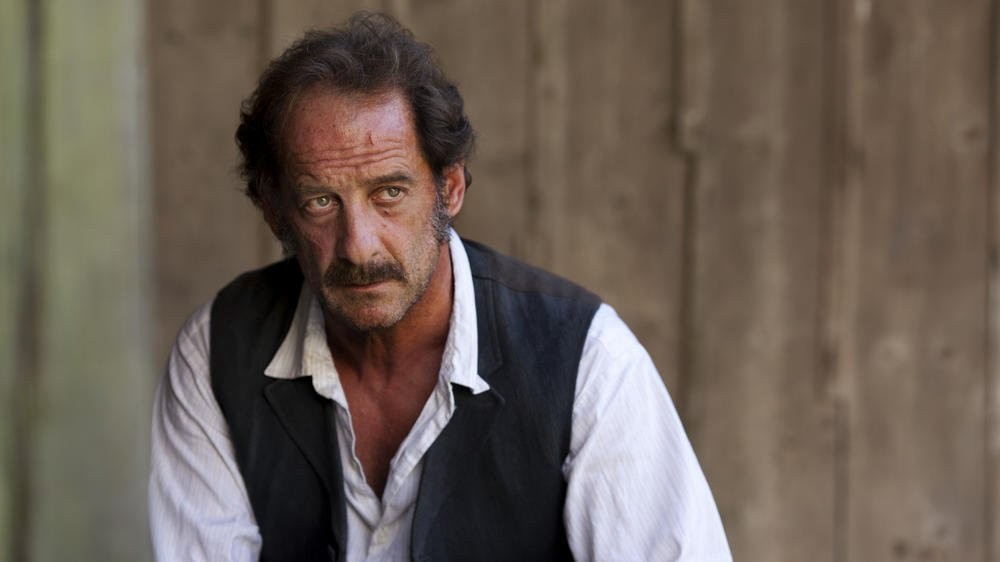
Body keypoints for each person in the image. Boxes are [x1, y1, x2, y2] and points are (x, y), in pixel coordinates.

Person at [149, 11, 731, 562]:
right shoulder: (217, 352)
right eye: (321, 201)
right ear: (276, 212)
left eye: (390, 193)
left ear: (450, 189)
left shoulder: (587, 361)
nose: (359, 247)